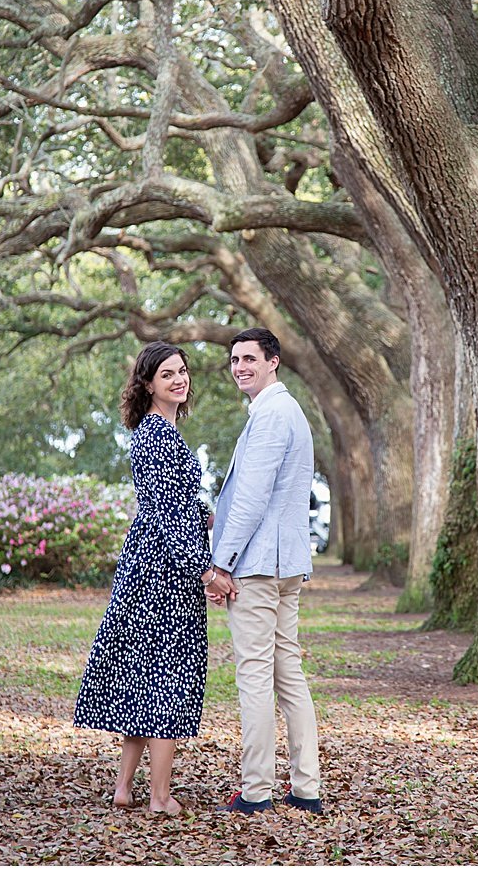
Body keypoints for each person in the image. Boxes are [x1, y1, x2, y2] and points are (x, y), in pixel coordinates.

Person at [74, 341, 235, 815]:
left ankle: (125, 789)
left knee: (148, 681)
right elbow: (166, 517)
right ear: (147, 384)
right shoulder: (155, 434)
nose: (179, 379)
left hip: (150, 563)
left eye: (182, 371)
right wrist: (203, 568)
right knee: (170, 682)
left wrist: (208, 516)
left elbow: (178, 504)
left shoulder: (160, 431)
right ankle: (159, 797)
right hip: (162, 570)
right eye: (167, 374)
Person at [209, 328, 323, 814]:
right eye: (234, 360)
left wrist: (219, 563)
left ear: (273, 361)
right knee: (288, 675)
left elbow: (254, 500)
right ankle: (305, 788)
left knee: (254, 676)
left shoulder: (273, 415)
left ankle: (256, 792)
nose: (240, 367)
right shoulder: (285, 411)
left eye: (250, 359)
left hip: (259, 568)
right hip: (285, 564)